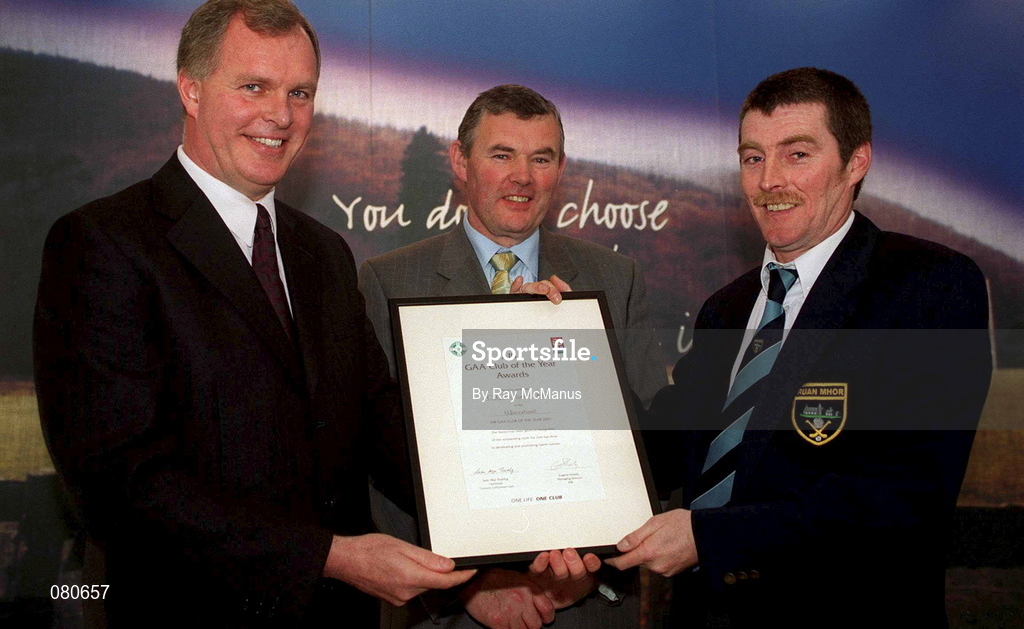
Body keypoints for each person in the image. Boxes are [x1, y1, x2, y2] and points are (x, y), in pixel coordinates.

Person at [33, 0, 473, 628]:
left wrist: (516, 526)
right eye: (254, 86)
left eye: (300, 93)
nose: (281, 114)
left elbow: (385, 425)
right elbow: (118, 484)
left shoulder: (323, 253)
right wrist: (329, 556)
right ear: (190, 89)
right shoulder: (105, 243)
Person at [607, 67, 992, 626]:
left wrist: (713, 538)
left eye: (797, 155)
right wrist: (567, 348)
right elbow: (662, 446)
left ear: (856, 161)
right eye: (753, 157)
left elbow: (905, 494)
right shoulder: (728, 307)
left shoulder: (929, 286)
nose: (769, 181)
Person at [358, 84, 663, 628]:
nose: (522, 176)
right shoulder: (386, 283)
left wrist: (591, 571)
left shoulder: (616, 282)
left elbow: (652, 451)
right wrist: (472, 584)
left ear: (560, 168)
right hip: (450, 614)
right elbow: (379, 466)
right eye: (502, 155)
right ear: (460, 160)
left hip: (589, 606)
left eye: (540, 158)